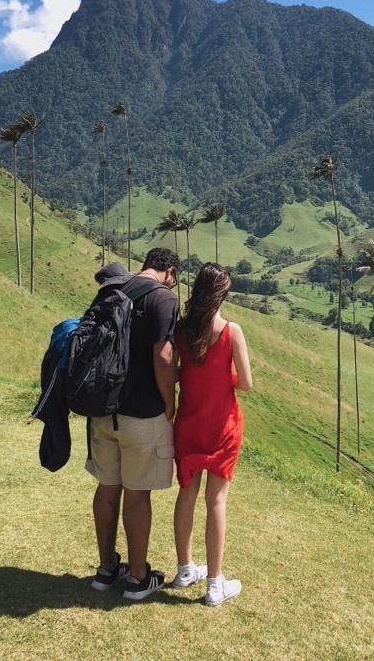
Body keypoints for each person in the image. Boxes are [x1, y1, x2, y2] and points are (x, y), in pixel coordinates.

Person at [86, 247, 180, 601]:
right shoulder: (163, 298)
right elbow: (164, 355)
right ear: (169, 271)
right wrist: (169, 404)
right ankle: (139, 579)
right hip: (142, 413)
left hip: (103, 408)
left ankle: (107, 569)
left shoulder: (112, 290)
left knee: (107, 488)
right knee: (137, 493)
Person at [172, 262, 252, 607]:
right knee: (216, 501)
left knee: (186, 496)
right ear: (223, 295)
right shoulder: (231, 331)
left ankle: (185, 569)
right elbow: (246, 384)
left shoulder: (181, 331)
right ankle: (215, 584)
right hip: (222, 427)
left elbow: (175, 372)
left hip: (187, 425)